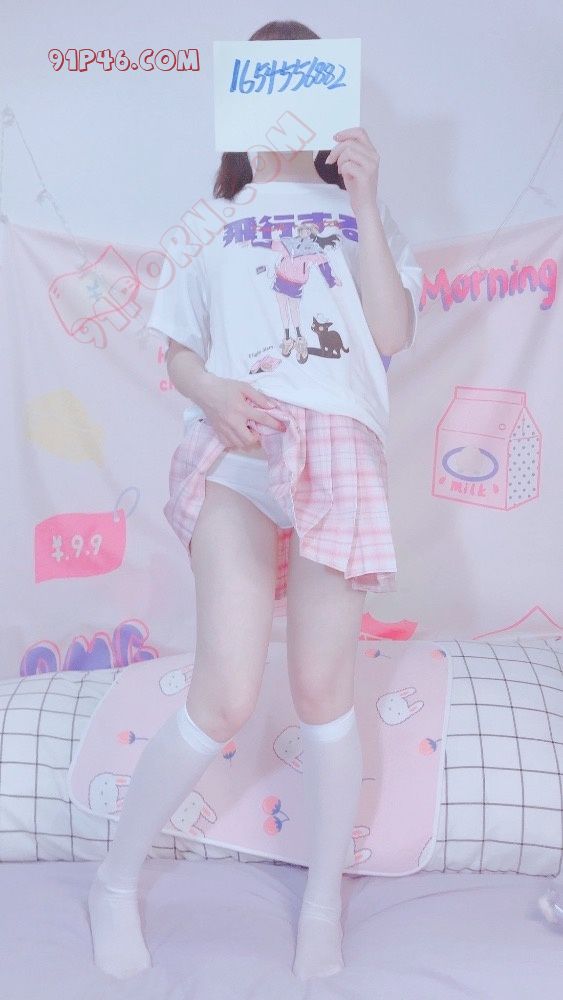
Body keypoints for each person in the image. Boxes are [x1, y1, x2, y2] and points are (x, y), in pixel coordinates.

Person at [87, 18, 424, 983]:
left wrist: (366, 198)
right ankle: (115, 880)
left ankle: (319, 907)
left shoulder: (359, 212)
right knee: (225, 692)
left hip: (340, 452)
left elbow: (392, 332)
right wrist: (217, 394)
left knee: (324, 691)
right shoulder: (210, 220)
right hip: (240, 452)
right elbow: (178, 354)